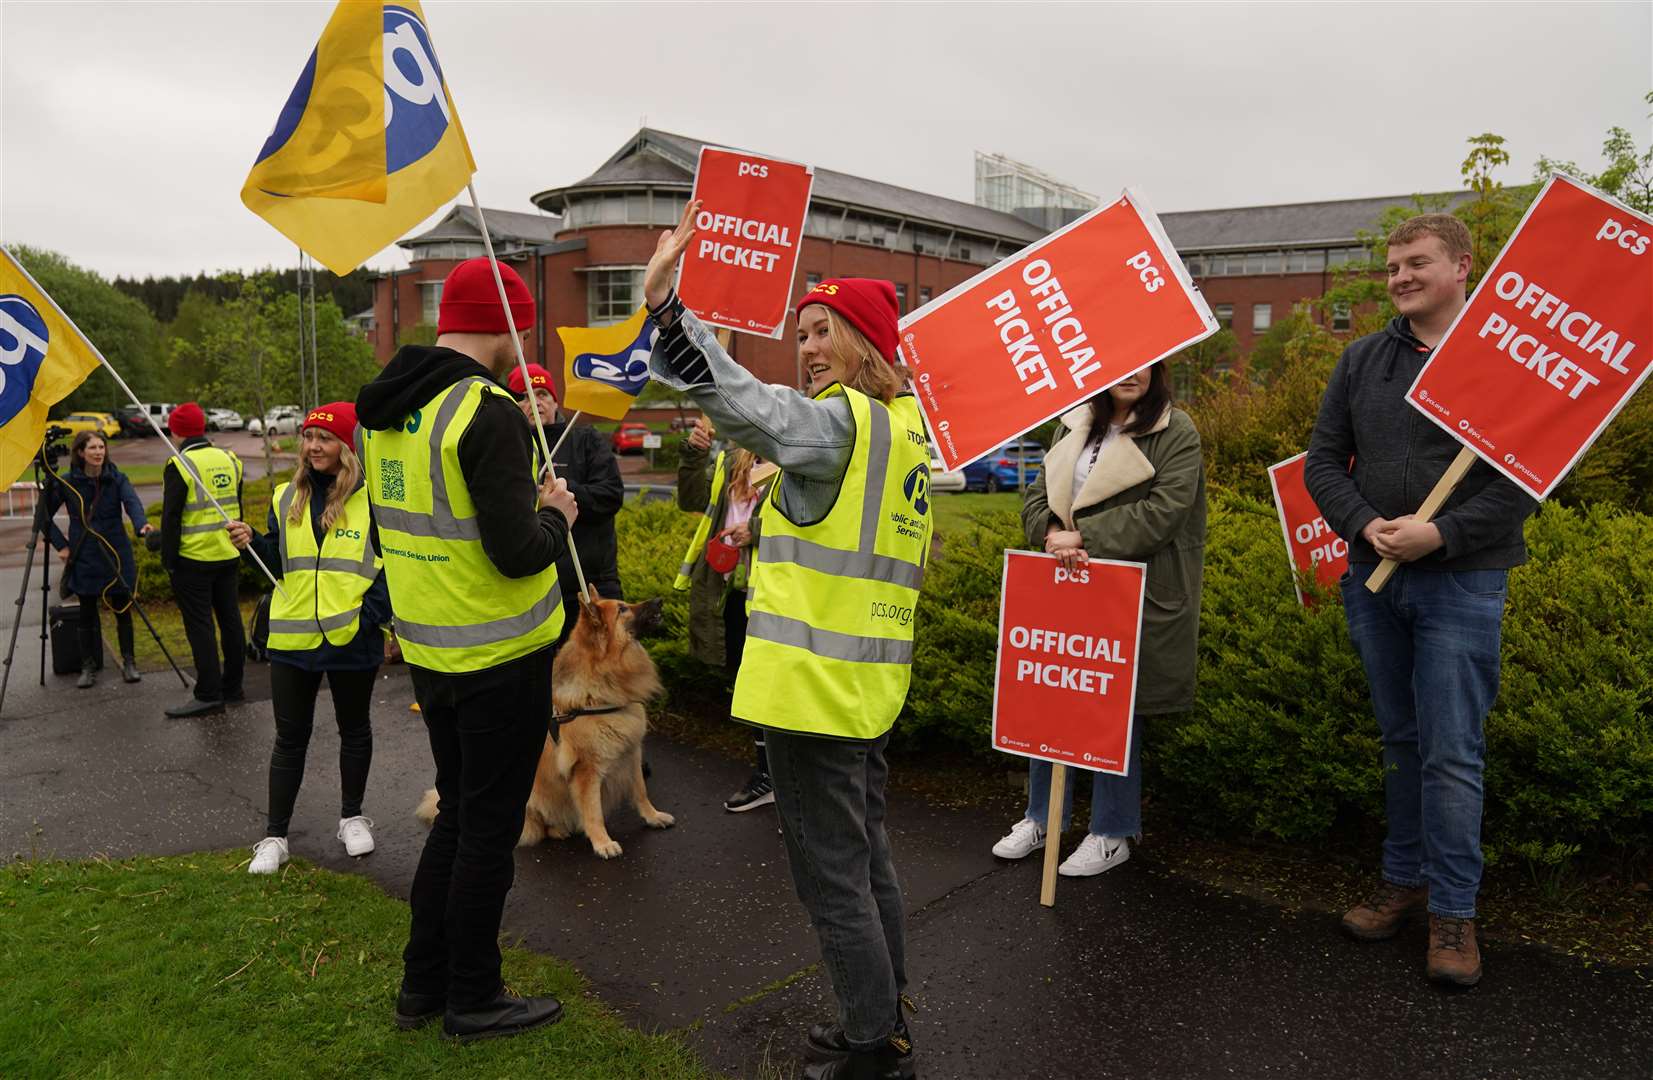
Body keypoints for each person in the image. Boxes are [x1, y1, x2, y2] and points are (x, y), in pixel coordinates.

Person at [644, 200, 931, 1080]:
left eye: (824, 331)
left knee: (830, 875)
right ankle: (883, 1016)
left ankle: (869, 1044)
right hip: (866, 690)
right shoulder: (906, 430)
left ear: (866, 347)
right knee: (867, 860)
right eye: (802, 332)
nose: (806, 348)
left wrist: (667, 311)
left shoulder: (837, 422)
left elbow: (746, 405)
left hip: (809, 694)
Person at [1304, 213, 1537, 989]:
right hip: (1373, 582)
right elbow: (1321, 464)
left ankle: (1453, 915)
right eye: (1393, 266)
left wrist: (1440, 534)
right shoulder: (1362, 359)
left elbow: (1522, 482)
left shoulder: (1508, 362)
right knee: (1400, 742)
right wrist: (1364, 524)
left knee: (1450, 754)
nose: (1399, 276)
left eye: (1417, 263)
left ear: (1462, 265)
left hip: (1462, 584)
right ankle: (1402, 881)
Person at [356, 257, 579, 1042]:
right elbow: (520, 552)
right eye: (525, 320)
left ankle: (422, 985)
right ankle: (474, 998)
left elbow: (394, 530)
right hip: (500, 656)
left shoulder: (384, 409)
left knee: (457, 816)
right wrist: (558, 516)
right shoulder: (487, 411)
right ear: (504, 320)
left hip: (431, 652)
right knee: (486, 831)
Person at [991, 364, 1207, 876]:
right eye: (1122, 362)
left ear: (1159, 368)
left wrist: (1082, 537)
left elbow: (1165, 510)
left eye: (1144, 362)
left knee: (1117, 707)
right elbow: (1037, 493)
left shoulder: (1177, 430)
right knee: (1051, 694)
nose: (1132, 373)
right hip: (1063, 584)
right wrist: (1049, 533)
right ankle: (1042, 817)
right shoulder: (1073, 424)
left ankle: (1112, 831)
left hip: (1135, 589)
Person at [225, 403, 390, 875]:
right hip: (293, 637)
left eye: (325, 438)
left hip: (352, 638)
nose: (314, 446)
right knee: (289, 739)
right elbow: (278, 562)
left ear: (346, 447)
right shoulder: (284, 496)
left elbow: (393, 566)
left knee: (354, 731)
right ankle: (275, 836)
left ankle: (352, 817)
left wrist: (368, 617)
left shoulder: (371, 499)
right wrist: (253, 542)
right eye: (309, 437)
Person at [675, 416, 776, 811]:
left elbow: (814, 524)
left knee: (770, 683)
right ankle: (768, 773)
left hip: (772, 593)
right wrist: (694, 454)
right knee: (746, 683)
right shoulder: (731, 462)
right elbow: (690, 500)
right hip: (729, 591)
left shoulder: (792, 465)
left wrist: (758, 528)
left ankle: (775, 775)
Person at [506, 362, 626, 636]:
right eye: (524, 396)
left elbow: (610, 496)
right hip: (534, 592)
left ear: (555, 400)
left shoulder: (585, 439)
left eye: (542, 394)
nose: (534, 402)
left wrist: (564, 494)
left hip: (590, 587)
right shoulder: (507, 445)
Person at [46, 430, 154, 687]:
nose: (98, 452)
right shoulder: (67, 482)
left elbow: (133, 504)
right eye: (92, 448)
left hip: (116, 552)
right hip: (84, 555)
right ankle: (88, 666)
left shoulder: (117, 478)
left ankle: (129, 662)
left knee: (122, 610)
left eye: (101, 447)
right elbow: (44, 519)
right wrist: (61, 546)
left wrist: (142, 526)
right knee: (86, 614)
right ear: (81, 452)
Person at [160, 401, 246, 718]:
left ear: (176, 430)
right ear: (203, 427)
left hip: (193, 559)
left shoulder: (179, 464)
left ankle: (208, 694)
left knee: (201, 628)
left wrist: (168, 562)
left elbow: (171, 518)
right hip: (228, 553)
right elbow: (236, 507)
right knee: (231, 621)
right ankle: (233, 688)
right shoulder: (230, 459)